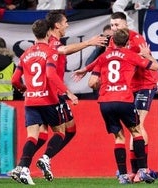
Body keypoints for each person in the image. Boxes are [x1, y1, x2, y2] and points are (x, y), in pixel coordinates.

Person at [73, 11, 158, 183]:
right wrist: (86, 69)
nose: (113, 28)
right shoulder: (114, 42)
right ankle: (137, 171)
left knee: (137, 127)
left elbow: (150, 61)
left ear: (125, 25)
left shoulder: (136, 39)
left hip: (144, 85)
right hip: (127, 89)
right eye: (112, 25)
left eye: (116, 25)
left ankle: (138, 171)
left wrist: (157, 81)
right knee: (133, 130)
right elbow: (103, 59)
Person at [9, 19, 78, 185]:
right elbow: (51, 75)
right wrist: (68, 92)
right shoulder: (50, 52)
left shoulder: (25, 55)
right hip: (48, 100)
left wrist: (24, 89)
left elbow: (14, 80)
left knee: (32, 136)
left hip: (31, 100)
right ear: (48, 33)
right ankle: (44, 159)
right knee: (60, 132)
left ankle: (23, 168)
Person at [39, 10, 107, 163]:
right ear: (57, 25)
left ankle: (35, 162)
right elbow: (64, 50)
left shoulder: (52, 42)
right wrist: (89, 42)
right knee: (60, 131)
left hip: (52, 93)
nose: (67, 25)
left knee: (65, 130)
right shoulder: (52, 42)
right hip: (53, 94)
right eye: (65, 22)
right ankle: (36, 161)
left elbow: (64, 51)